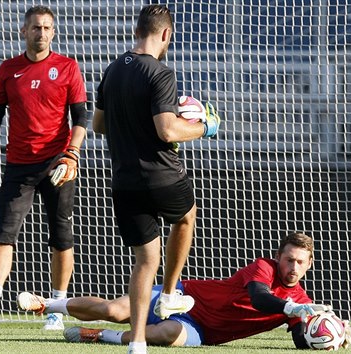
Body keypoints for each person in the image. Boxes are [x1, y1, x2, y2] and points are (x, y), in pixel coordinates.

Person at [89, 4, 221, 354]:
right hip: (162, 177)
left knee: (145, 261)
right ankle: (172, 293)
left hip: (124, 183)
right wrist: (203, 126)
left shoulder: (112, 70)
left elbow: (98, 126)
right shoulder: (161, 73)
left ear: (138, 30)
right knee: (187, 216)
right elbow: (167, 131)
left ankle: (137, 343)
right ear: (165, 34)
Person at [16, 232, 351, 349]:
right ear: (278, 256)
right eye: (288, 259)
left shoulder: (305, 302)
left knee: (163, 334)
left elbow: (300, 340)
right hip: (182, 295)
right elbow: (259, 298)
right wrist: (291, 310)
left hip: (202, 331)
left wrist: (332, 335)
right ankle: (49, 304)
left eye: (299, 263)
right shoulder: (263, 268)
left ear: (308, 265)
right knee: (116, 310)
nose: (292, 267)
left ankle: (96, 336)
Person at [0, 5, 88, 331]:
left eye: (48, 28)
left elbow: (82, 118)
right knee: (3, 234)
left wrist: (72, 154)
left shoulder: (67, 67)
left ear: (54, 32)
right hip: (18, 164)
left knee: (61, 237)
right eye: (36, 27)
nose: (42, 33)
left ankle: (55, 309)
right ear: (24, 31)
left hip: (57, 163)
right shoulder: (8, 69)